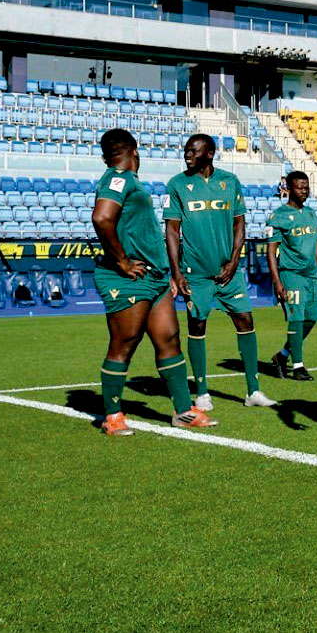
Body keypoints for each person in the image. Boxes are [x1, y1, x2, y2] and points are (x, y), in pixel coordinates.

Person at [90, 128, 216, 434]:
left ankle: (183, 411)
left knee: (169, 338)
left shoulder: (129, 180)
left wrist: (167, 272)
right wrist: (122, 260)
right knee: (125, 342)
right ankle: (112, 416)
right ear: (135, 150)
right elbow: (101, 218)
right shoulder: (118, 178)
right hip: (129, 278)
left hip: (155, 276)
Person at [165, 134, 275, 410]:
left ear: (210, 153)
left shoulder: (230, 181)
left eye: (193, 150)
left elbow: (240, 224)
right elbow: (172, 231)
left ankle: (253, 391)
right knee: (197, 325)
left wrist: (235, 260)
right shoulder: (177, 184)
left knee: (245, 320)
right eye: (186, 150)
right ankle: (202, 393)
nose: (187, 154)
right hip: (195, 273)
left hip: (229, 272)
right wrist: (176, 272)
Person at [266, 171, 317, 381]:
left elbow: (315, 244)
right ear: (289, 189)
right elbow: (271, 251)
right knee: (296, 318)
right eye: (299, 187)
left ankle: (282, 355)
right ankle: (298, 366)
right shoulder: (279, 216)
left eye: (306, 187)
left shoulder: (311, 214)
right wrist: (277, 281)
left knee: (312, 318)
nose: (304, 191)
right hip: (291, 274)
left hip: (311, 275)